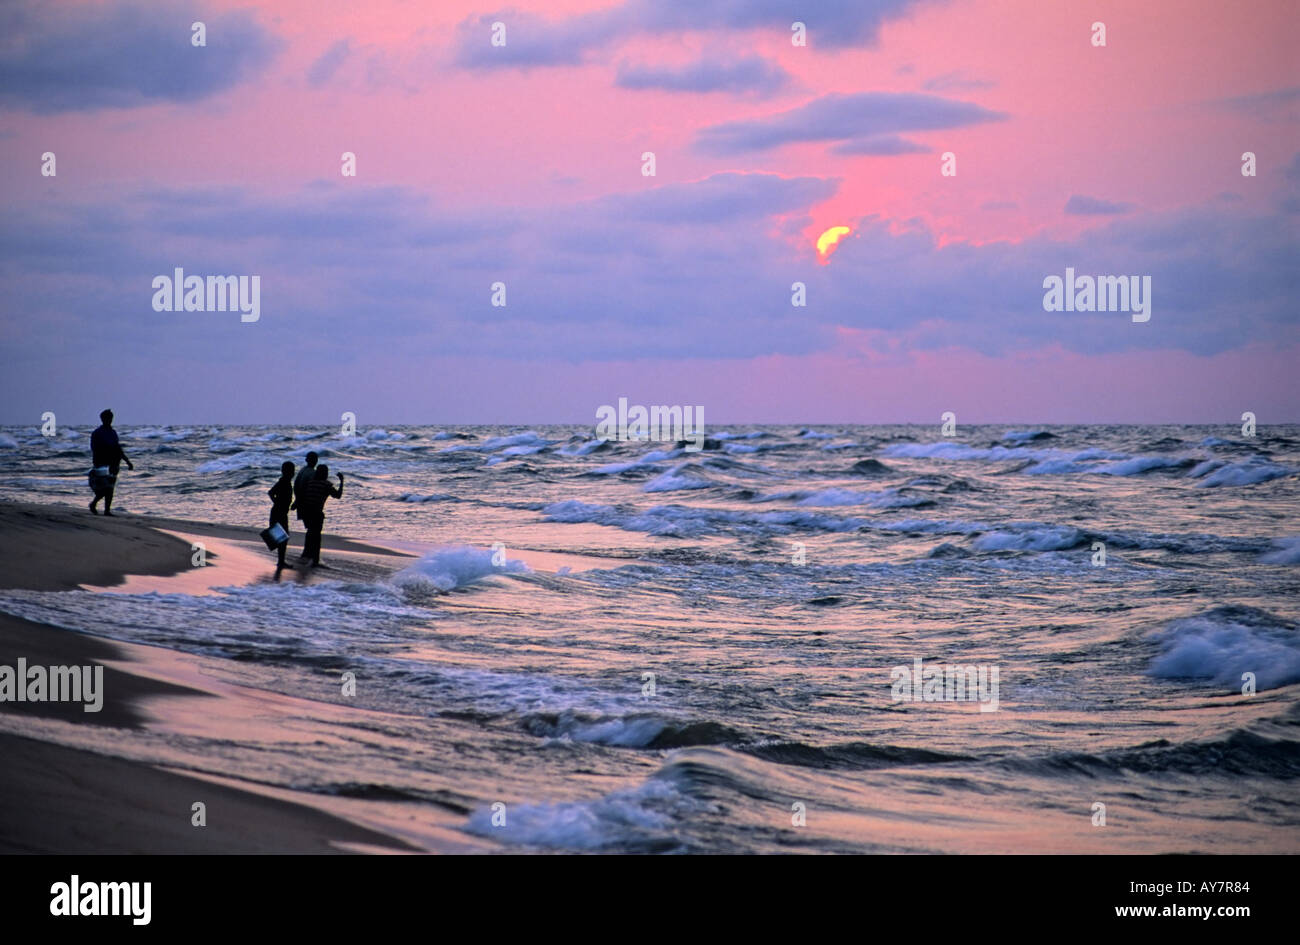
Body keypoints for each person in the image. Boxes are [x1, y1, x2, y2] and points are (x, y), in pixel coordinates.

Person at [89, 409, 134, 516]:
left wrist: (127, 461)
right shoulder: (97, 433)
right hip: (101, 463)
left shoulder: (113, 432)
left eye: (110, 418)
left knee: (110, 487)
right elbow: (94, 449)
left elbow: (118, 448)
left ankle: (106, 510)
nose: (109, 420)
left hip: (114, 463)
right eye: (107, 418)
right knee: (104, 487)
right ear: (102, 419)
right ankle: (94, 503)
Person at [297, 464, 344, 567]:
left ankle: (306, 555)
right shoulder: (326, 485)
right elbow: (338, 495)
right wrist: (342, 481)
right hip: (316, 512)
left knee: (310, 533)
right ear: (325, 474)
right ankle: (315, 560)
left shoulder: (311, 482)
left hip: (306, 511)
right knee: (316, 536)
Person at [267, 460, 295, 569]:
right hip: (279, 513)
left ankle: (281, 561)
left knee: (282, 537)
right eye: (291, 471)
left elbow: (271, 493)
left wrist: (279, 504)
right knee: (283, 537)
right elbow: (270, 493)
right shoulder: (283, 482)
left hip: (279, 512)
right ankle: (281, 561)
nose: (292, 473)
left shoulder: (285, 482)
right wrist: (278, 504)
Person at [291, 452, 319, 521]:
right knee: (312, 525)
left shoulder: (303, 470)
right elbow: (307, 489)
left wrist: (296, 501)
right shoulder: (313, 473)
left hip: (300, 501)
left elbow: (296, 486)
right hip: (306, 503)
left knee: (309, 525)